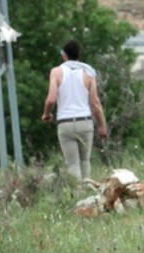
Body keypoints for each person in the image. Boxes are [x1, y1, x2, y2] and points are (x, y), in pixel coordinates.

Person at [42, 40, 108, 181]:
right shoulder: (89, 73)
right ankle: (88, 192)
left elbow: (51, 99)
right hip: (85, 122)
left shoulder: (56, 72)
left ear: (64, 55)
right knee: (85, 161)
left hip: (65, 124)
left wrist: (46, 114)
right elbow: (95, 103)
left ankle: (76, 194)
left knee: (72, 164)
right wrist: (102, 125)